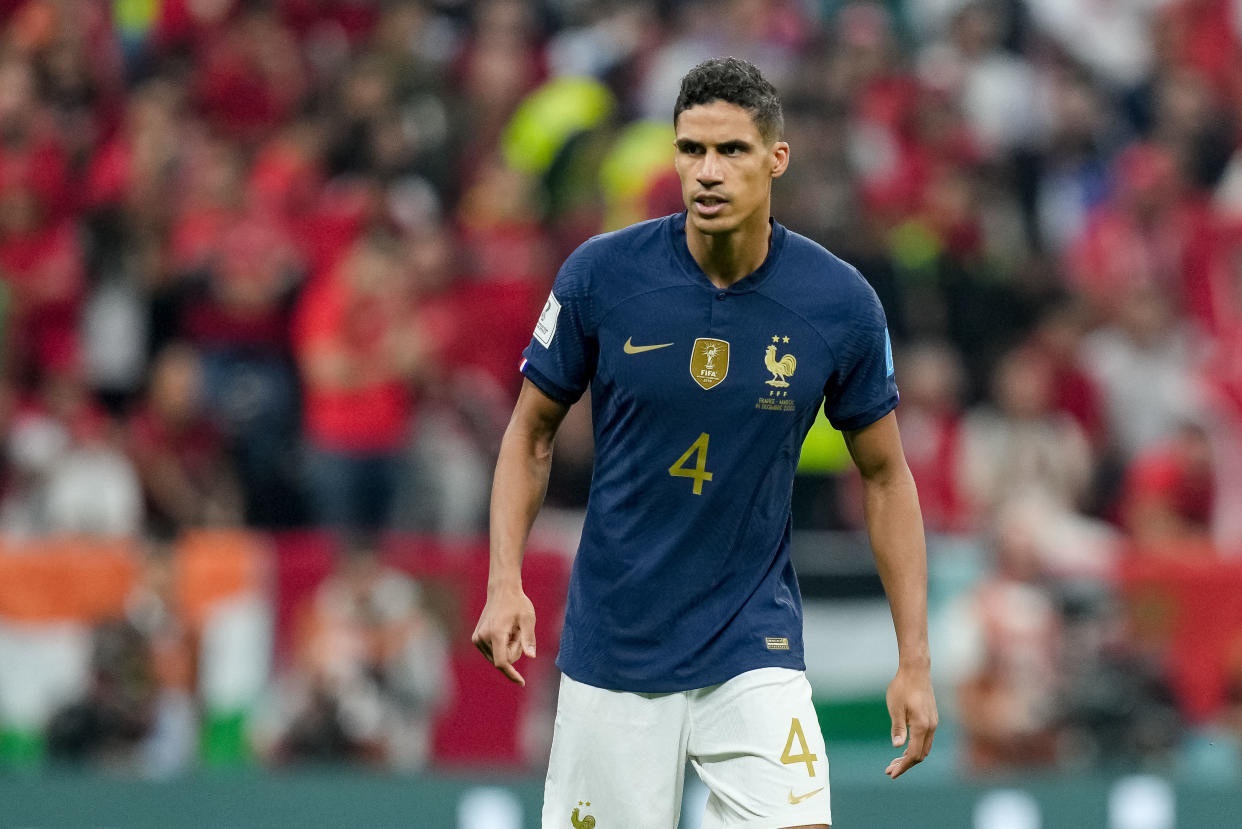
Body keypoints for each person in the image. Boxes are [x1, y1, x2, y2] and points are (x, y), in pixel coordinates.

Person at [472, 57, 937, 829]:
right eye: (691, 150)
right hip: (616, 644)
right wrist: (503, 579)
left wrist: (914, 660)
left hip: (752, 641)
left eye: (732, 151)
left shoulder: (841, 304)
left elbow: (886, 476)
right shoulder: (601, 277)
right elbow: (530, 432)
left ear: (776, 159)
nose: (708, 172)